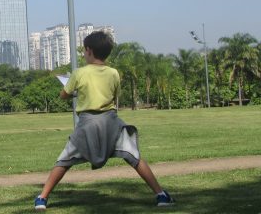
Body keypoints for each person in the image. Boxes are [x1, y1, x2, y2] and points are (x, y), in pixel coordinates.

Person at [34, 31, 174, 210]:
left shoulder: (79, 73)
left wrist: (75, 92)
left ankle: (42, 198)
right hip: (111, 122)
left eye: (84, 51)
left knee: (64, 161)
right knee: (135, 158)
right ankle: (160, 195)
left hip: (87, 124)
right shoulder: (114, 73)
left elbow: (63, 95)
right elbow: (113, 96)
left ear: (89, 50)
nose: (84, 54)